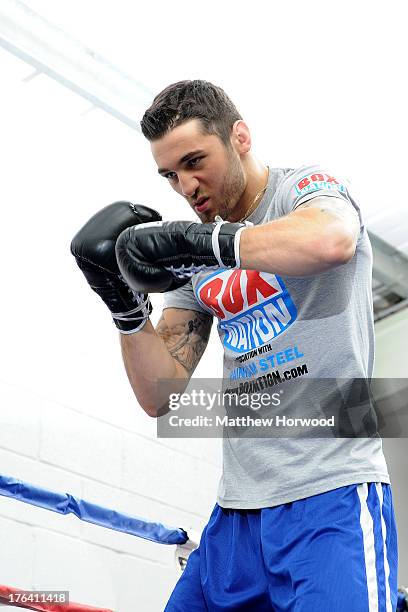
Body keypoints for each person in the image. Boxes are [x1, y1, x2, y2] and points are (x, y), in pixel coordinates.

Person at [71, 80, 398, 611]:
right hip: (237, 514)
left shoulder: (305, 190)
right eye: (170, 175)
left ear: (239, 137)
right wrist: (125, 308)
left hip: (331, 496)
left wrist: (211, 242)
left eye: (196, 161)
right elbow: (161, 395)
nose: (186, 186)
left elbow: (331, 241)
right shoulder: (189, 252)